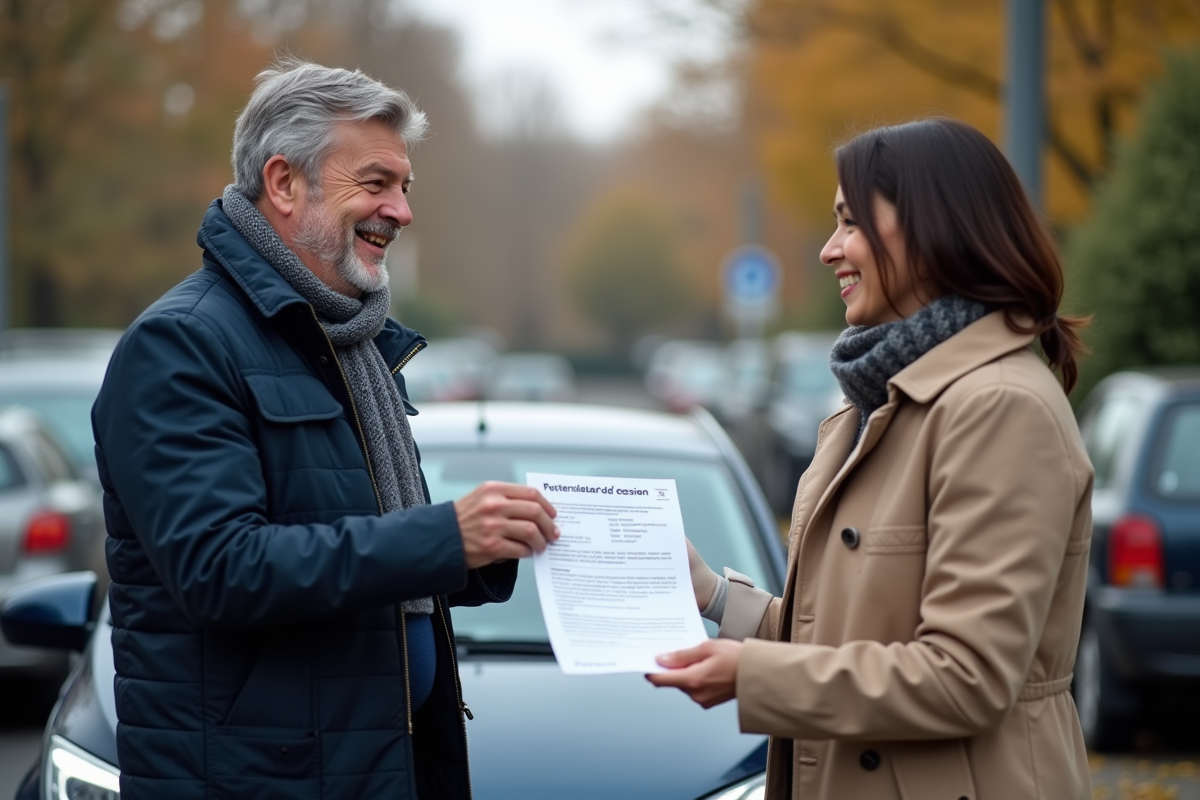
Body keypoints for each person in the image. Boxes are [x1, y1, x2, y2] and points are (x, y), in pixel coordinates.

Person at [91, 60, 559, 800]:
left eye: (404, 188)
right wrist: (443, 537)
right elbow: (221, 569)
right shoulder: (181, 344)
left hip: (363, 766)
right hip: (257, 779)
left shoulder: (349, 341)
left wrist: (488, 543)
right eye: (376, 184)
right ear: (283, 184)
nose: (401, 211)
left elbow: (356, 544)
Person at [648, 118, 1094, 800]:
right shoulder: (874, 403)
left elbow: (968, 676)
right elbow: (840, 636)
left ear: (934, 227)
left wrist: (752, 677)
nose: (829, 251)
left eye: (851, 223)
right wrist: (709, 591)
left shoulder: (999, 407)